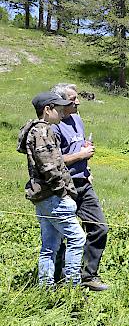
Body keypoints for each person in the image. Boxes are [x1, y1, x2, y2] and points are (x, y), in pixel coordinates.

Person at [17, 92, 86, 287]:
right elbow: (49, 167)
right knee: (77, 238)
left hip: (42, 196)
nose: (63, 112)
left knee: (49, 245)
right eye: (59, 108)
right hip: (52, 195)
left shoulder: (37, 130)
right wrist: (64, 193)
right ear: (47, 110)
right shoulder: (43, 131)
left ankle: (45, 287)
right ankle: (72, 286)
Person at [50, 83, 109, 291]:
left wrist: (86, 161)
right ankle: (58, 279)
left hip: (84, 182)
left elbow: (79, 145)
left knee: (99, 227)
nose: (78, 102)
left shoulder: (77, 118)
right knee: (62, 233)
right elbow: (53, 161)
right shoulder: (53, 126)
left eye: (77, 98)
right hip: (64, 186)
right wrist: (80, 156)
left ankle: (88, 275)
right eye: (73, 99)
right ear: (61, 102)